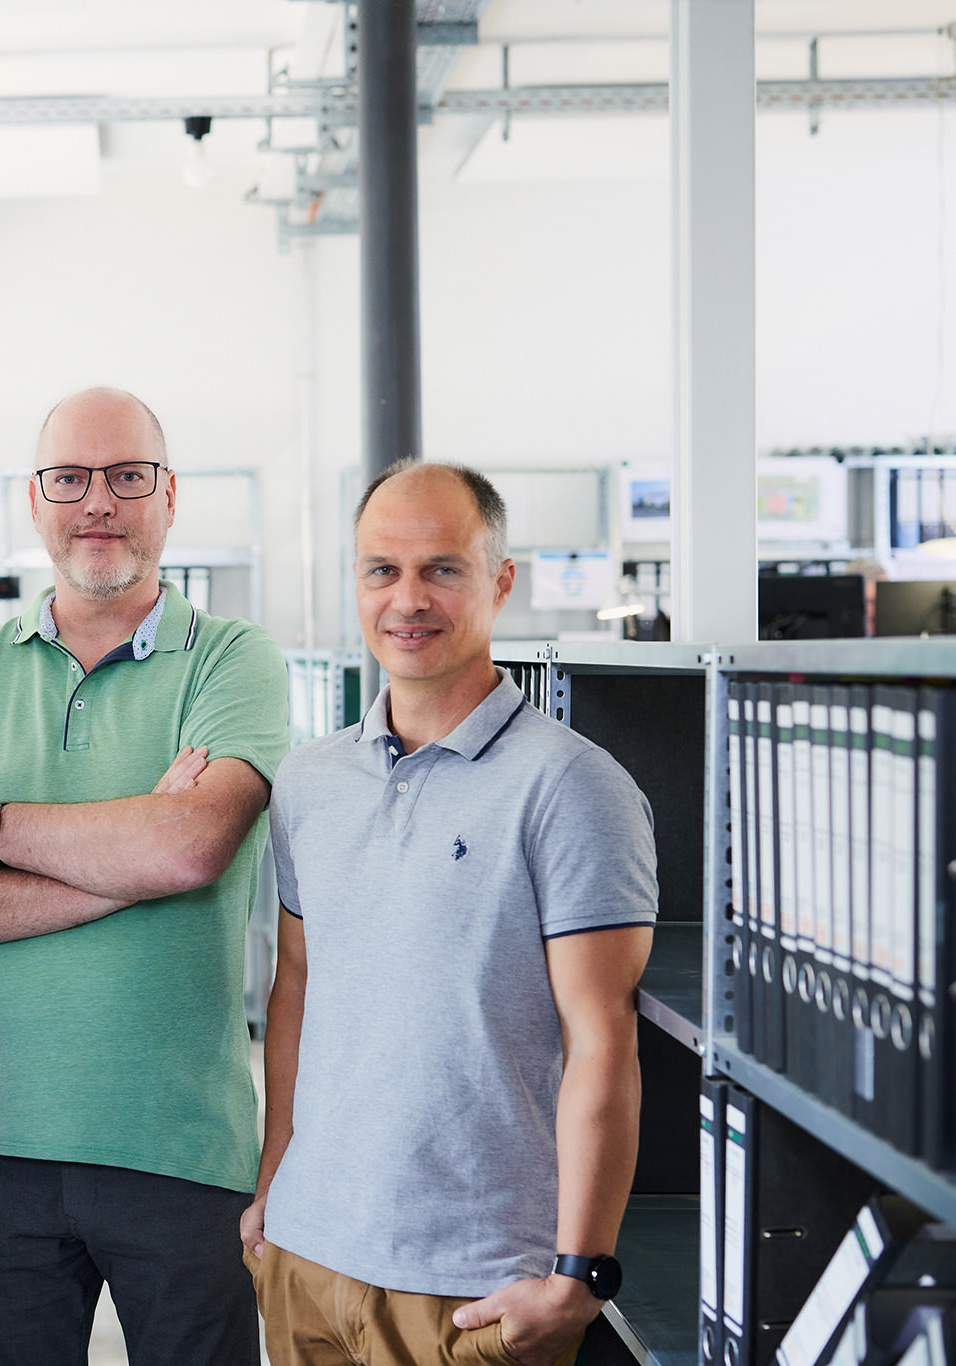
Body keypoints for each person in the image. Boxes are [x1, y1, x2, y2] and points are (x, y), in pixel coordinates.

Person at [0, 387, 290, 1366]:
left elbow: (187, 849)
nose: (97, 501)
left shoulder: (230, 659)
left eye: (126, 476)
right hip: (3, 1144)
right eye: (70, 478)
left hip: (181, 1148)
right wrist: (121, 861)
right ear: (35, 499)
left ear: (168, 496)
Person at [243, 460, 658, 1366]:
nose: (408, 599)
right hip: (306, 1259)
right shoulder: (310, 783)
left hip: (474, 1286)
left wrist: (578, 1274)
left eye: (443, 568)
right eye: (381, 570)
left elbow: (604, 1037)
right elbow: (298, 990)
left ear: (500, 580)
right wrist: (274, 1179)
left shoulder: (574, 787)